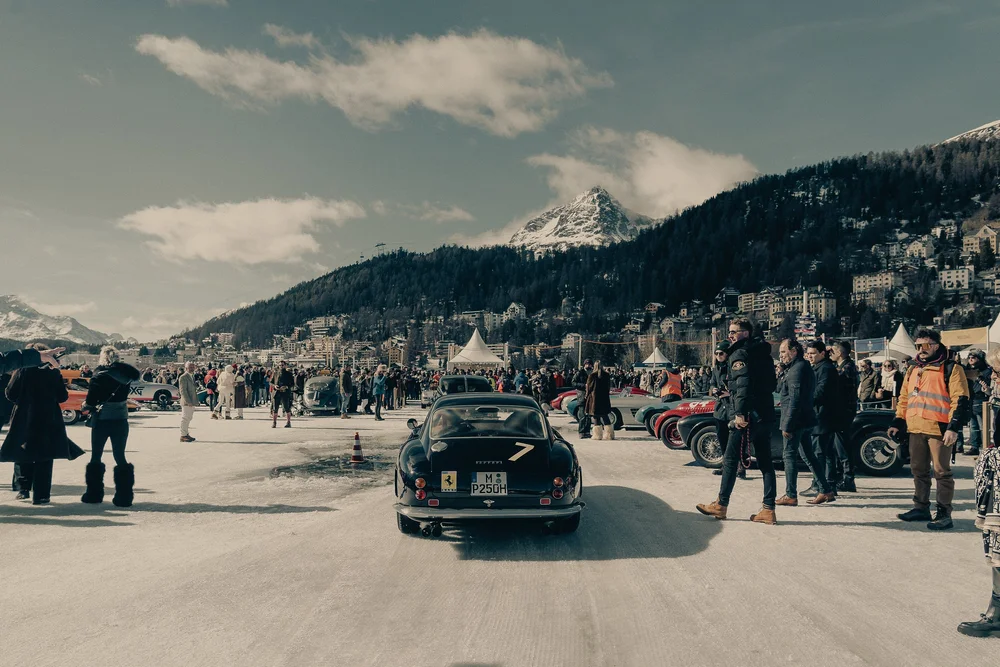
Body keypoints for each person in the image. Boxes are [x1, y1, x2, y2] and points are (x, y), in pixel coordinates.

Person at [697, 318, 778, 524]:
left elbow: (742, 386)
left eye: (734, 331)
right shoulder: (765, 354)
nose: (730, 335)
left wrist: (740, 414)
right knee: (766, 462)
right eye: (730, 331)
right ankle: (768, 509)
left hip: (747, 415)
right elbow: (771, 384)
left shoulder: (739, 354)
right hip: (766, 414)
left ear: (746, 333)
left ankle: (721, 505)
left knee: (731, 460)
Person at [888, 328, 970, 530]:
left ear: (935, 345)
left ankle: (944, 513)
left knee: (942, 472)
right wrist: (899, 421)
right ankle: (921, 507)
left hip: (939, 429)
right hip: (916, 427)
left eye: (924, 345)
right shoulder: (913, 368)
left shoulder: (951, 368)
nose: (920, 350)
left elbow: (960, 399)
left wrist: (953, 427)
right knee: (918, 470)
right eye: (917, 346)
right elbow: (905, 398)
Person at [1, 344, 85, 504]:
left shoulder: (23, 370)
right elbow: (62, 397)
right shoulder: (53, 372)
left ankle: (23, 489)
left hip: (24, 417)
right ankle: (42, 494)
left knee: (22, 450)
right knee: (46, 454)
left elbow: (11, 393)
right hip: (48, 418)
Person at [81, 345, 141, 507]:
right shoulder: (126, 376)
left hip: (102, 419)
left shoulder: (98, 376)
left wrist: (85, 406)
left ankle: (94, 494)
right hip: (121, 418)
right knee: (120, 456)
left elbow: (91, 401)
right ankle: (124, 497)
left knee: (96, 456)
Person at [776, 339, 833, 506]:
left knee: (789, 456)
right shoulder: (799, 367)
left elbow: (795, 399)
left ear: (794, 351)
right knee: (808, 454)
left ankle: (790, 494)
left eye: (783, 352)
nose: (781, 355)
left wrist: (787, 424)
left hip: (796, 420)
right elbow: (781, 389)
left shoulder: (797, 369)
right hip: (805, 419)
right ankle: (825, 489)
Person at [708, 341, 745, 479]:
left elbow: (740, 386)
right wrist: (714, 390)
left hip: (732, 406)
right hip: (720, 408)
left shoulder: (732, 366)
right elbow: (711, 384)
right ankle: (726, 465)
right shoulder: (716, 368)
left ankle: (740, 465)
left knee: (736, 439)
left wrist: (729, 393)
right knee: (722, 438)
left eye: (721, 353)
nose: (718, 356)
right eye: (716, 354)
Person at [829, 340, 859, 492]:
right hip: (846, 410)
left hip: (842, 412)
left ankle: (848, 478)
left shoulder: (846, 368)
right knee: (841, 444)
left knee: (842, 446)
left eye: (833, 351)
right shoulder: (848, 366)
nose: (830, 354)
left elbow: (837, 386)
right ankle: (845, 477)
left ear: (840, 353)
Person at [964, 349, 991, 457]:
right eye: (969, 357)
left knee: (982, 426)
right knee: (973, 426)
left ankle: (985, 447)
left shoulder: (986, 371)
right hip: (971, 400)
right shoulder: (967, 370)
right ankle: (974, 447)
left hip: (981, 400)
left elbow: (987, 385)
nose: (971, 359)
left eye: (973, 357)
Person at [585, 360, 613, 440]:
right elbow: (608, 387)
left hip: (595, 399)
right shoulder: (607, 375)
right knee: (605, 416)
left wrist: (587, 395)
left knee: (596, 416)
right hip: (604, 399)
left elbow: (589, 388)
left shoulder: (592, 376)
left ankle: (597, 435)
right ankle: (609, 434)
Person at [270, 362, 295, 428]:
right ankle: (274, 422)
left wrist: (286, 386)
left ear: (285, 366)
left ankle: (288, 422)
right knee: (275, 408)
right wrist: (275, 386)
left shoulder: (289, 374)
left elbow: (292, 383)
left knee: (286, 407)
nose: (281, 366)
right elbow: (271, 382)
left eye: (282, 365)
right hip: (276, 392)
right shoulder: (275, 373)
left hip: (285, 392)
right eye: (280, 365)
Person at [572, 360, 593, 439]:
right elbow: (573, 383)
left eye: (590, 364)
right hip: (582, 396)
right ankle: (581, 432)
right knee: (582, 416)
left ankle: (587, 431)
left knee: (589, 416)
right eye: (587, 364)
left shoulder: (592, 373)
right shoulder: (579, 373)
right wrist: (584, 385)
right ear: (584, 365)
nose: (588, 366)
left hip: (590, 396)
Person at [179, 361, 198, 442]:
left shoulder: (191, 376)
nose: (192, 369)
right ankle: (183, 435)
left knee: (189, 418)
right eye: (190, 367)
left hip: (192, 401)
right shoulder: (183, 377)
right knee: (185, 418)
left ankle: (186, 434)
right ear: (186, 368)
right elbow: (183, 391)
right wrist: (188, 401)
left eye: (193, 367)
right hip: (187, 402)